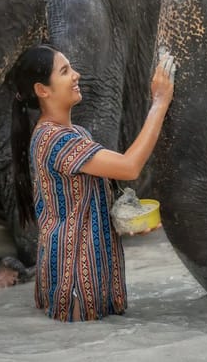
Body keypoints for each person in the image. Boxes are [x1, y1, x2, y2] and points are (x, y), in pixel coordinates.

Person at [10, 43, 176, 322]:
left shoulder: (75, 133)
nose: (76, 75)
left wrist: (125, 220)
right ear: (43, 90)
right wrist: (160, 102)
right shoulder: (57, 140)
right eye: (64, 71)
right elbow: (129, 166)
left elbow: (87, 200)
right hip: (73, 277)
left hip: (90, 270)